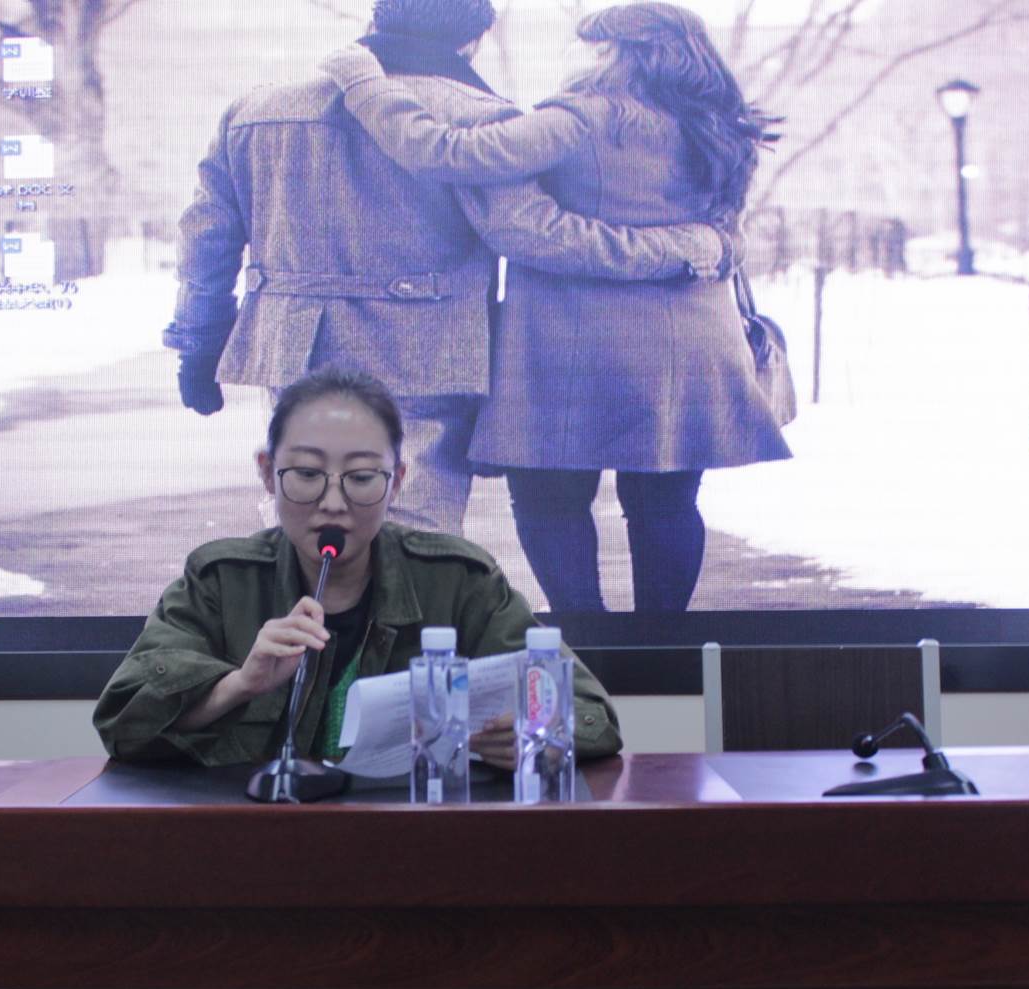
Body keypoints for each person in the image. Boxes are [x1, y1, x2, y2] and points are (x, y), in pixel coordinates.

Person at [164, 0, 732, 538]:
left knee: (307, 520)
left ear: (379, 18)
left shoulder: (258, 111)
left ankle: (312, 611)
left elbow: (207, 237)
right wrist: (679, 247)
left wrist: (199, 342)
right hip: (426, 356)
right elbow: (534, 236)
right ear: (472, 39)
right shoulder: (478, 116)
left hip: (294, 352)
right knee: (413, 534)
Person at [322, 3, 792, 612]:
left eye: (600, 49)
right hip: (690, 345)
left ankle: (586, 634)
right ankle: (662, 645)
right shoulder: (720, 128)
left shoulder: (581, 119)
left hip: (574, 346)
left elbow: (445, 152)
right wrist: (691, 248)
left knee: (549, 500)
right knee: (666, 503)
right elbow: (724, 235)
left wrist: (366, 85)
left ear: (625, 55)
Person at [95, 369, 623, 769]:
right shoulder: (219, 580)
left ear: (398, 481)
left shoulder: (458, 581)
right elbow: (123, 723)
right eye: (306, 474)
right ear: (268, 472)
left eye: (362, 478)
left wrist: (538, 736)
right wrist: (239, 684)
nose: (332, 503)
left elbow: (590, 714)